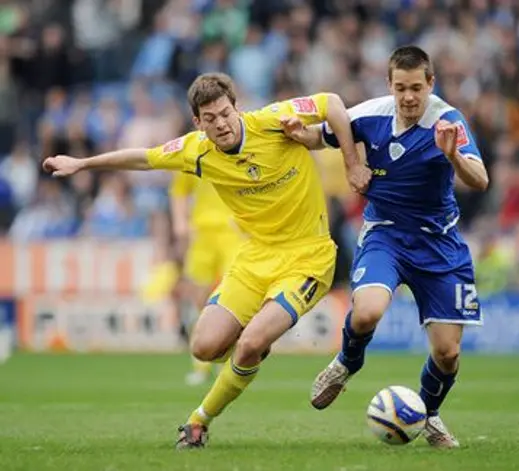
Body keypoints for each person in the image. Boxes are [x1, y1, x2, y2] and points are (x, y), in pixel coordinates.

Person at [43, 72, 370, 449]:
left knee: (248, 344)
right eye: (210, 118)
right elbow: (144, 159)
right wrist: (82, 164)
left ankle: (198, 421)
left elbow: (331, 101)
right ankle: (249, 352)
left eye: (225, 113)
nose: (221, 123)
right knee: (203, 347)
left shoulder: (271, 122)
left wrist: (350, 163)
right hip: (255, 258)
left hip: (308, 258)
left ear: (237, 108)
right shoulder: (197, 149)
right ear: (198, 123)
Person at [281, 45, 489, 448]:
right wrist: (297, 133)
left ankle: (428, 414)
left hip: (439, 244)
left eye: (416, 87)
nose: (409, 97)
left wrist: (453, 158)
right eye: (400, 88)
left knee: (448, 354)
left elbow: (480, 179)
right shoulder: (370, 114)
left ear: (431, 83)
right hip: (386, 234)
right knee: (367, 313)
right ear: (389, 85)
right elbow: (319, 136)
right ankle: (346, 363)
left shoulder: (447, 122)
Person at [169, 172, 242, 386]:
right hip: (202, 233)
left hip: (234, 231)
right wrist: (180, 222)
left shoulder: (236, 146)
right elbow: (179, 190)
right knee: (199, 299)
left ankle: (225, 361)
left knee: (232, 299)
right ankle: (201, 365)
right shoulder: (193, 150)